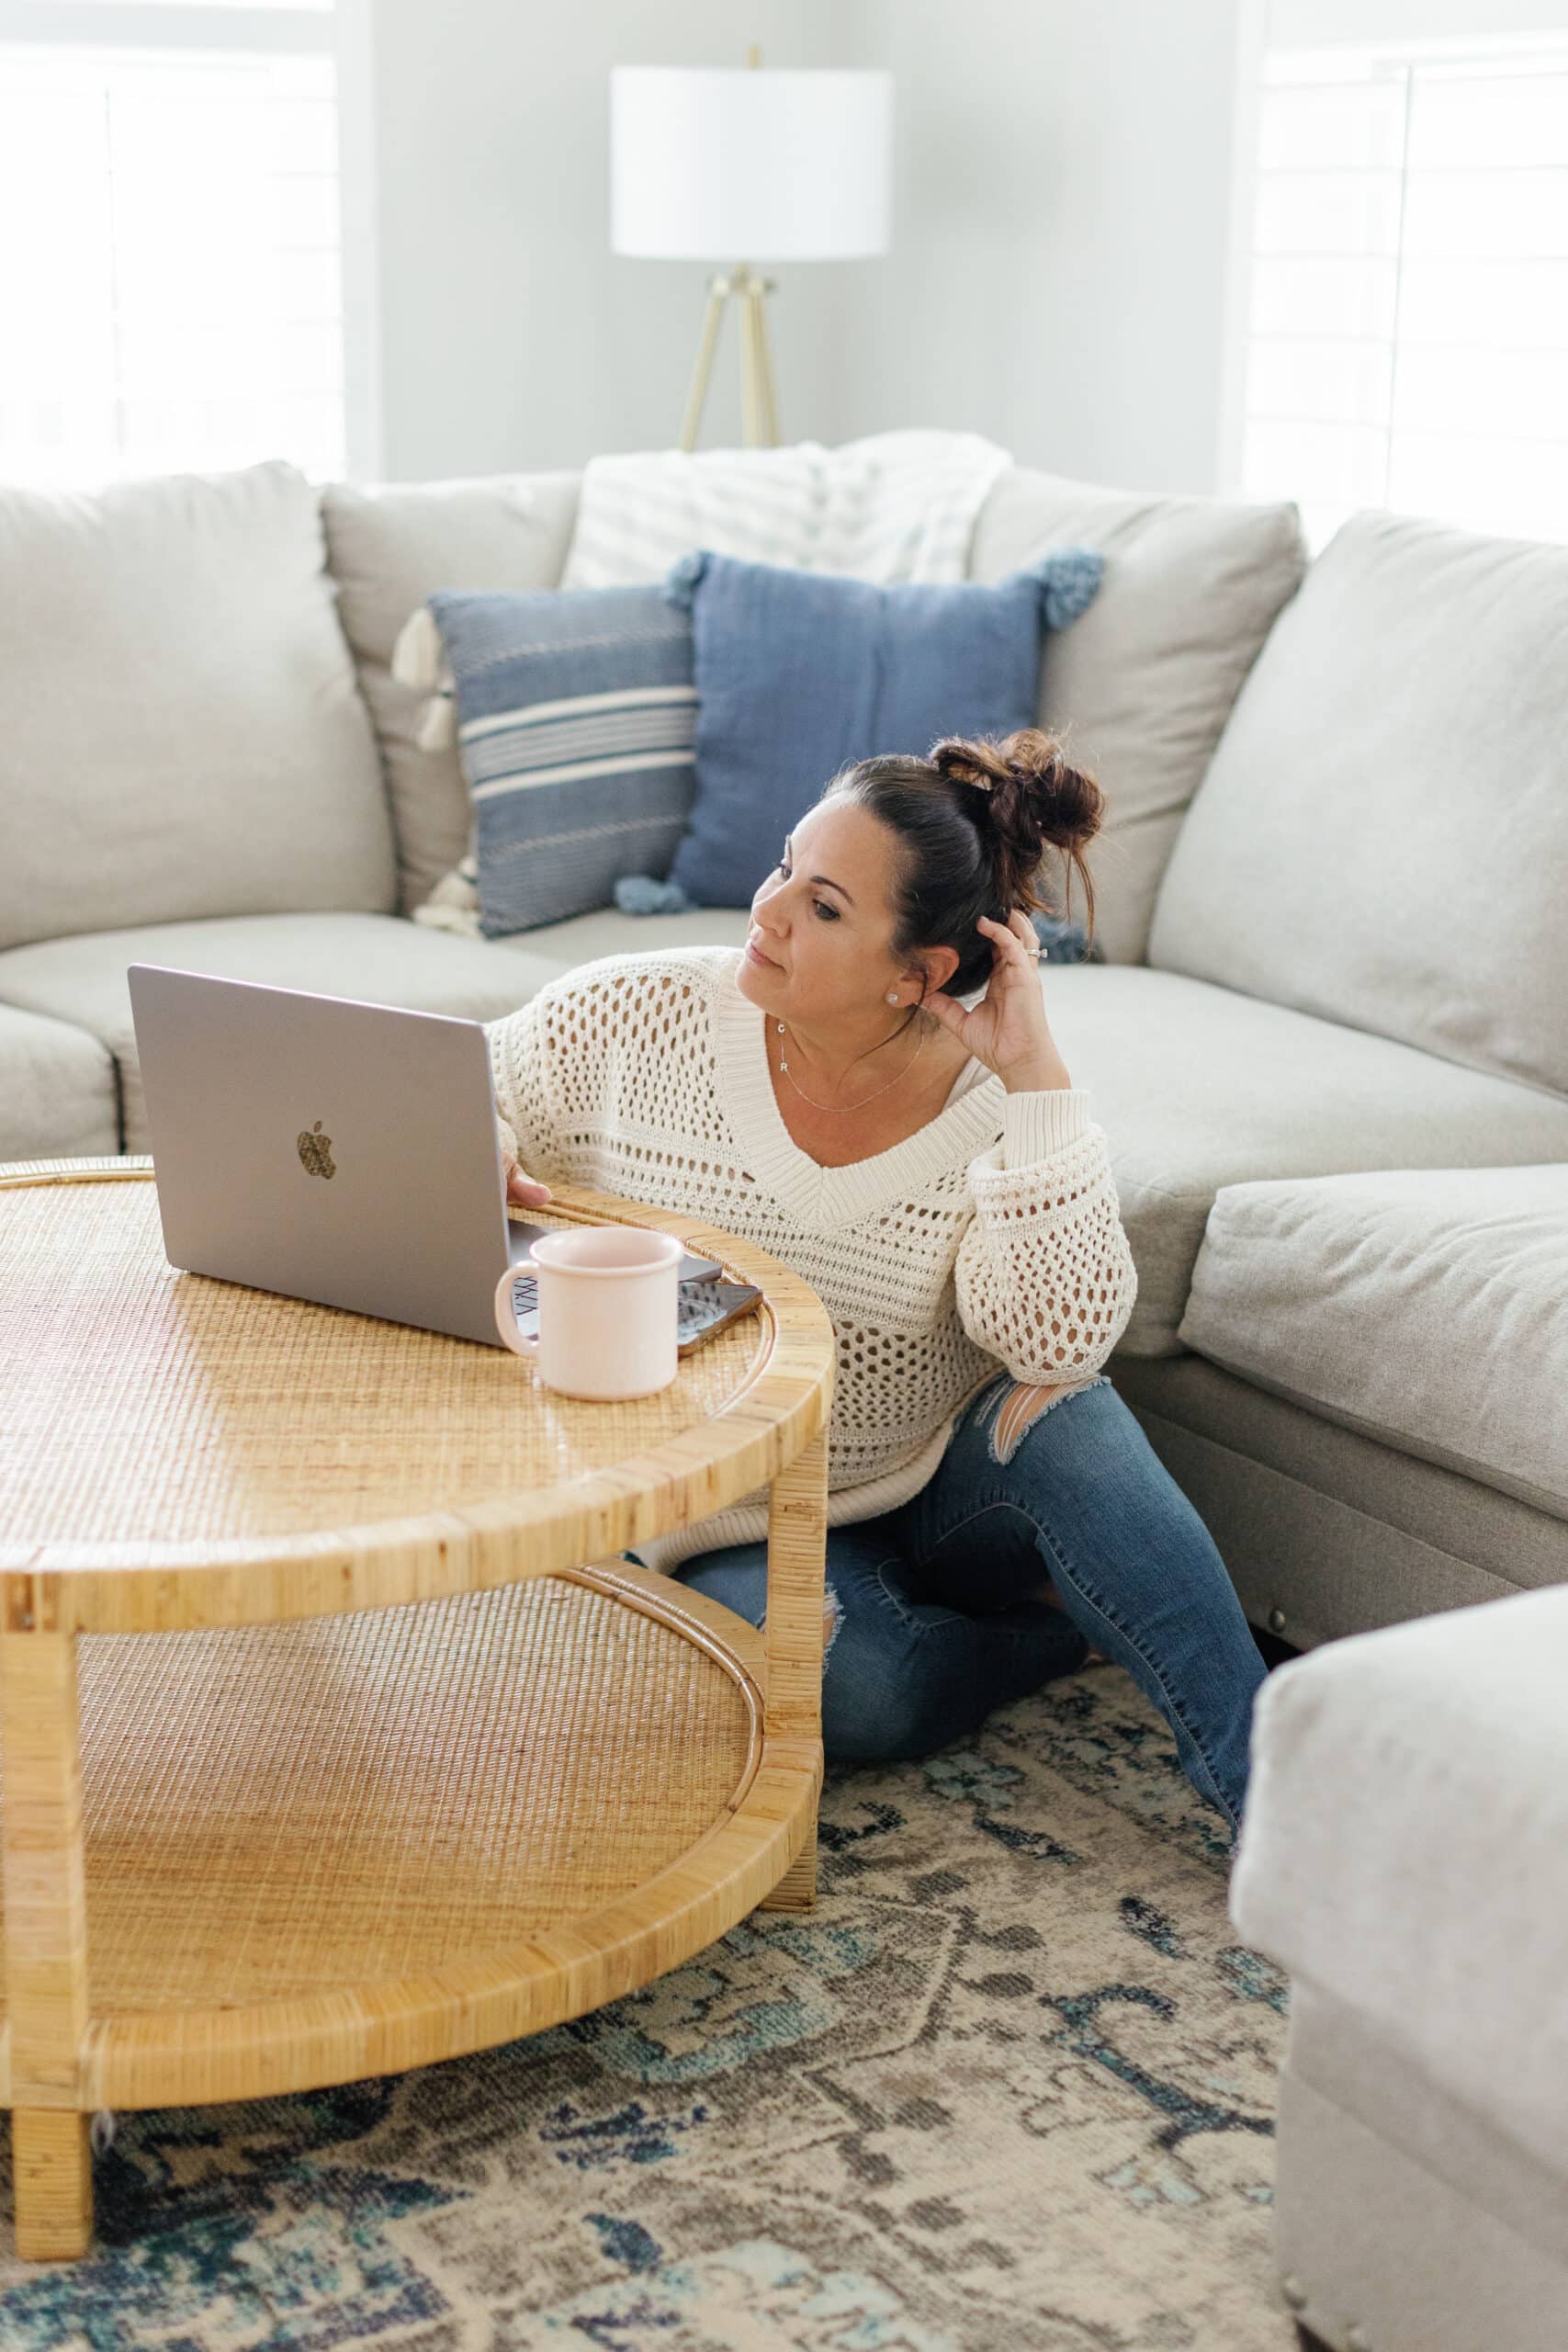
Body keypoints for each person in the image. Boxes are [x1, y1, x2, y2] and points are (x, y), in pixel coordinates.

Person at [489, 728, 1267, 1835]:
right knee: (862, 1691)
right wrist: (480, 1137)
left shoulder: (998, 1106)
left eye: (825, 908)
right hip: (740, 1518)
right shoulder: (641, 1011)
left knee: (1073, 1419)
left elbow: (1057, 1347)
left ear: (922, 973)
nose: (767, 913)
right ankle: (1046, 1639)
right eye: (783, 870)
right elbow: (471, 1077)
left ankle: (1284, 1804)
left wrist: (1038, 1079)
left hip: (933, 1480)